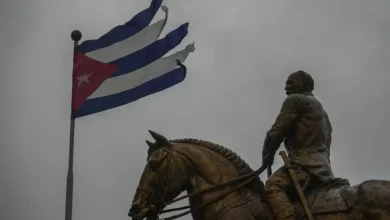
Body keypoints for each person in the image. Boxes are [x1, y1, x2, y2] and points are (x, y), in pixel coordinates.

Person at [262, 70, 335, 220]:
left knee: (272, 186)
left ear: (305, 85)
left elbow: (275, 133)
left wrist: (267, 156)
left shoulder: (296, 100)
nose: (286, 88)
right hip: (324, 169)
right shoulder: (323, 113)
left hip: (304, 165)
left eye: (291, 83)